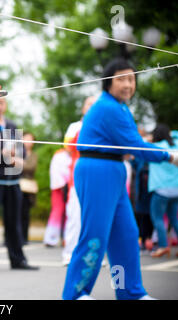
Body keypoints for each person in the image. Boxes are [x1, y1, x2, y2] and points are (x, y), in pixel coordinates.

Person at [62, 58, 178, 300]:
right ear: (107, 82)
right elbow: (135, 145)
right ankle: (75, 294)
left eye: (131, 79)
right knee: (95, 234)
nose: (128, 84)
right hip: (97, 169)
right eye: (121, 78)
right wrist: (169, 156)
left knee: (125, 234)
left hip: (113, 169)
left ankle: (130, 292)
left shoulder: (120, 107)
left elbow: (133, 144)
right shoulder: (107, 107)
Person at [0, 97, 39, 272]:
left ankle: (18, 259)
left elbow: (22, 152)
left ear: (5, 105)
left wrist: (17, 158)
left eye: (1, 103)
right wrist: (5, 155)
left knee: (14, 221)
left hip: (12, 181)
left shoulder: (12, 125)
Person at [61, 96, 96, 265]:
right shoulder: (75, 127)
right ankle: (70, 252)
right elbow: (67, 147)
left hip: (98, 178)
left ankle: (92, 253)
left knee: (94, 217)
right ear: (83, 108)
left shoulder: (102, 126)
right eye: (89, 104)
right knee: (75, 216)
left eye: (94, 105)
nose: (91, 107)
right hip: (77, 178)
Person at [148, 124, 178, 258]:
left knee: (158, 218)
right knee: (175, 219)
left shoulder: (156, 147)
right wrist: (174, 132)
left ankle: (163, 246)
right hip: (177, 190)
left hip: (161, 189)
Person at [44, 148, 71, 247]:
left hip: (71, 188)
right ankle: (51, 238)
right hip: (59, 188)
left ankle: (67, 238)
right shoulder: (59, 155)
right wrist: (62, 185)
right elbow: (55, 172)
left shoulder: (76, 154)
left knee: (70, 213)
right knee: (57, 212)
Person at [19, 132, 38, 244]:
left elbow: (31, 167)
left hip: (28, 188)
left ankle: (24, 237)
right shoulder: (18, 152)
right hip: (17, 185)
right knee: (14, 212)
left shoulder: (33, 155)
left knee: (25, 213)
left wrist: (20, 163)